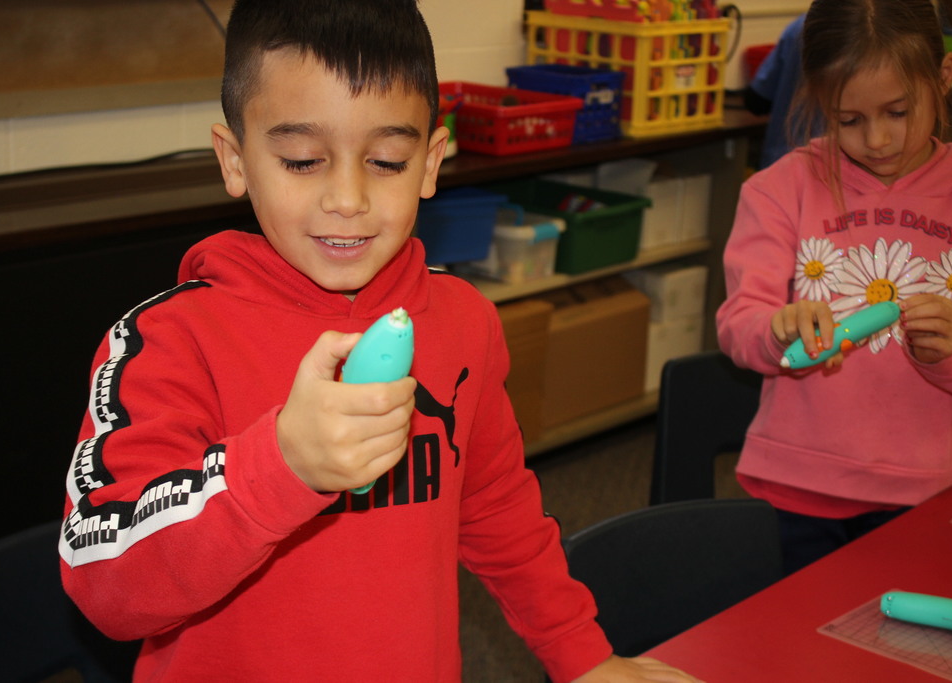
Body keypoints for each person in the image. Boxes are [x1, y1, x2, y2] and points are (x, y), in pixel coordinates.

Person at [57, 1, 699, 681]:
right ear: (235, 160)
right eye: (303, 160)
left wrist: (583, 655)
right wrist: (279, 467)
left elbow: (497, 508)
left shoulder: (464, 321)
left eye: (387, 161)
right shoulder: (169, 341)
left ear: (431, 162)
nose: (348, 197)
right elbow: (104, 584)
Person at [717, 0, 952, 576]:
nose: (878, 139)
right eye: (849, 120)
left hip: (925, 489)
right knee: (790, 628)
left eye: (898, 112)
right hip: (795, 486)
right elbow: (740, 321)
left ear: (944, 77)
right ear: (820, 101)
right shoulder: (778, 189)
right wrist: (776, 328)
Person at [744, 13, 807, 169]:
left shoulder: (800, 27)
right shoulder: (863, 32)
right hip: (832, 171)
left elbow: (757, 100)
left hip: (782, 160)